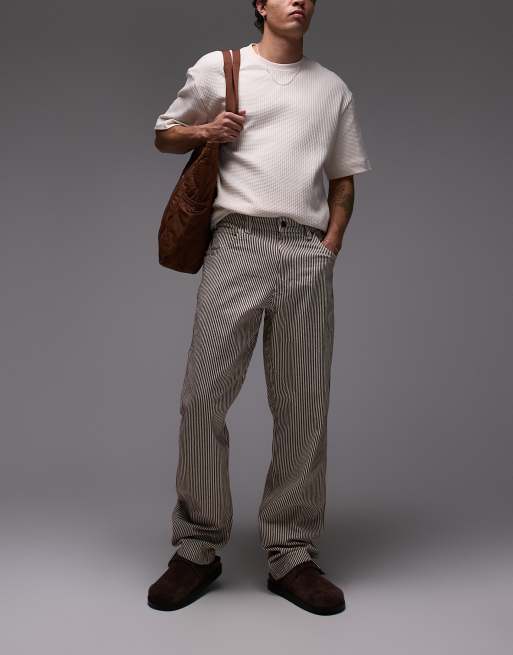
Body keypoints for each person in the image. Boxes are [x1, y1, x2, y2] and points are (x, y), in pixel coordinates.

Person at [147, 0, 372, 616]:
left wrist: (331, 243)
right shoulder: (221, 67)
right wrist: (206, 132)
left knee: (304, 401)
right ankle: (197, 547)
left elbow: (344, 176)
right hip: (238, 239)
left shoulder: (332, 88)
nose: (298, 0)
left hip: (305, 249)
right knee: (204, 393)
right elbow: (164, 133)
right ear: (259, 5)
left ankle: (291, 552)